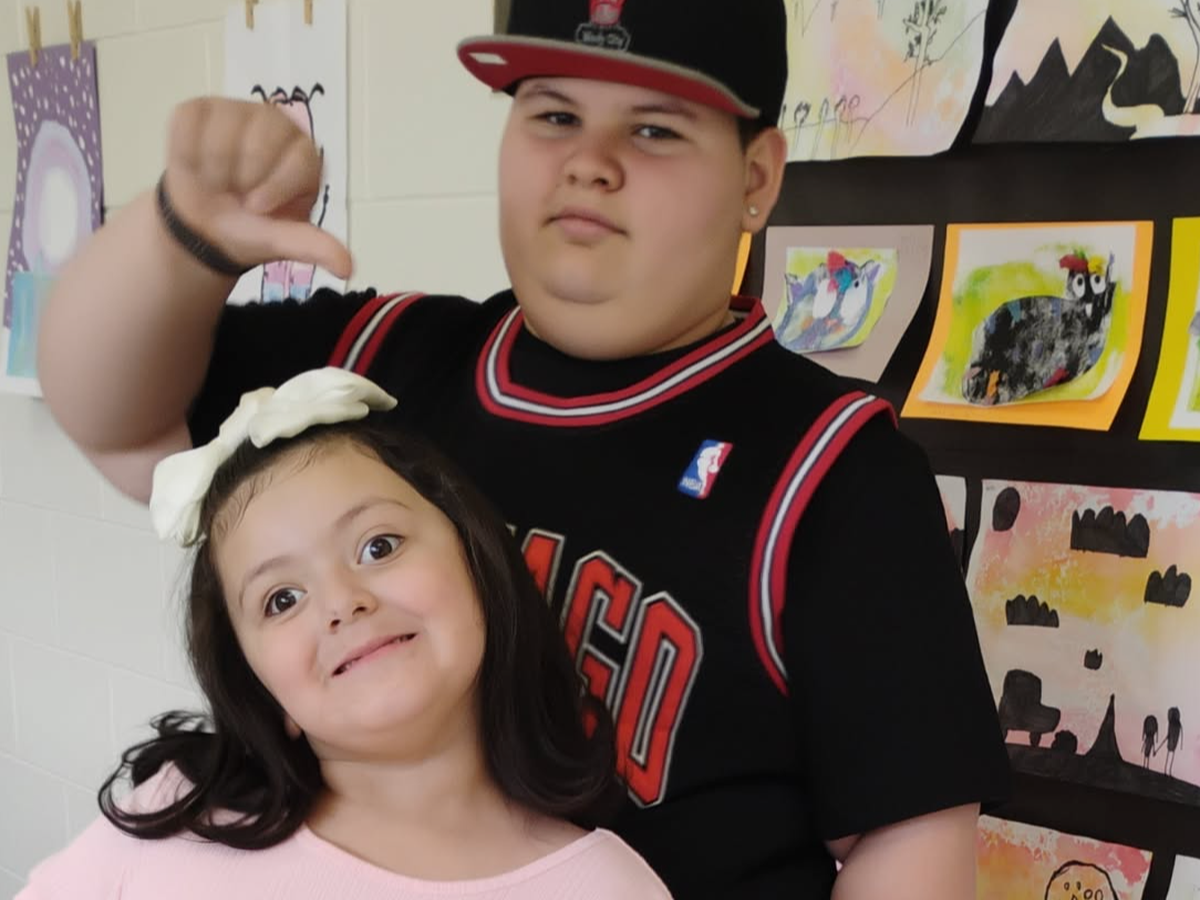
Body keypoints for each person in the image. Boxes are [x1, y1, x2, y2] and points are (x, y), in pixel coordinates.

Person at [36, 0, 1010, 895]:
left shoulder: (838, 470)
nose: (590, 162)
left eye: (655, 128)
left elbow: (907, 849)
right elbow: (120, 423)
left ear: (756, 178)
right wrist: (181, 240)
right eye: (553, 115)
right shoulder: (382, 363)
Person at [17, 369, 671, 900]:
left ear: (480, 563)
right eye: (281, 599)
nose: (341, 603)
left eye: (378, 546)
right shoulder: (176, 813)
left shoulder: (609, 887)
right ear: (258, 685)